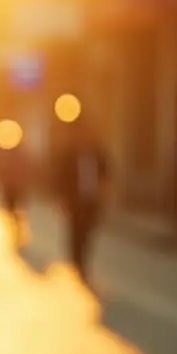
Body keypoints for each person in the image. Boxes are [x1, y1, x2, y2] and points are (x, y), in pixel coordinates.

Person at [53, 117, 110, 280]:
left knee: (88, 231)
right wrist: (62, 197)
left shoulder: (99, 155)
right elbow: (61, 178)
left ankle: (82, 260)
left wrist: (105, 195)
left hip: (92, 200)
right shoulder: (70, 156)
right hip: (75, 200)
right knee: (75, 231)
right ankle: (76, 261)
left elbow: (107, 175)